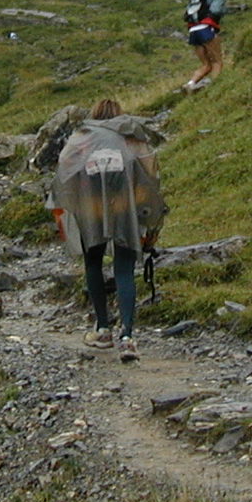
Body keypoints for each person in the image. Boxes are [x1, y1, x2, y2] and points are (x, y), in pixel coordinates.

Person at [51, 99, 166, 362]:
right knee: (124, 268)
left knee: (93, 262)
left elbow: (64, 167)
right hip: (126, 206)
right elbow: (151, 173)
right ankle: (127, 336)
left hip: (91, 207)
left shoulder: (83, 136)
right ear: (119, 115)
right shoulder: (131, 135)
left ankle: (103, 329)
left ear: (95, 115)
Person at [182, 0, 232, 92]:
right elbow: (215, 10)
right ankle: (215, 89)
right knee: (217, 62)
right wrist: (225, 10)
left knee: (206, 64)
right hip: (206, 28)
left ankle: (190, 84)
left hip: (193, 29)